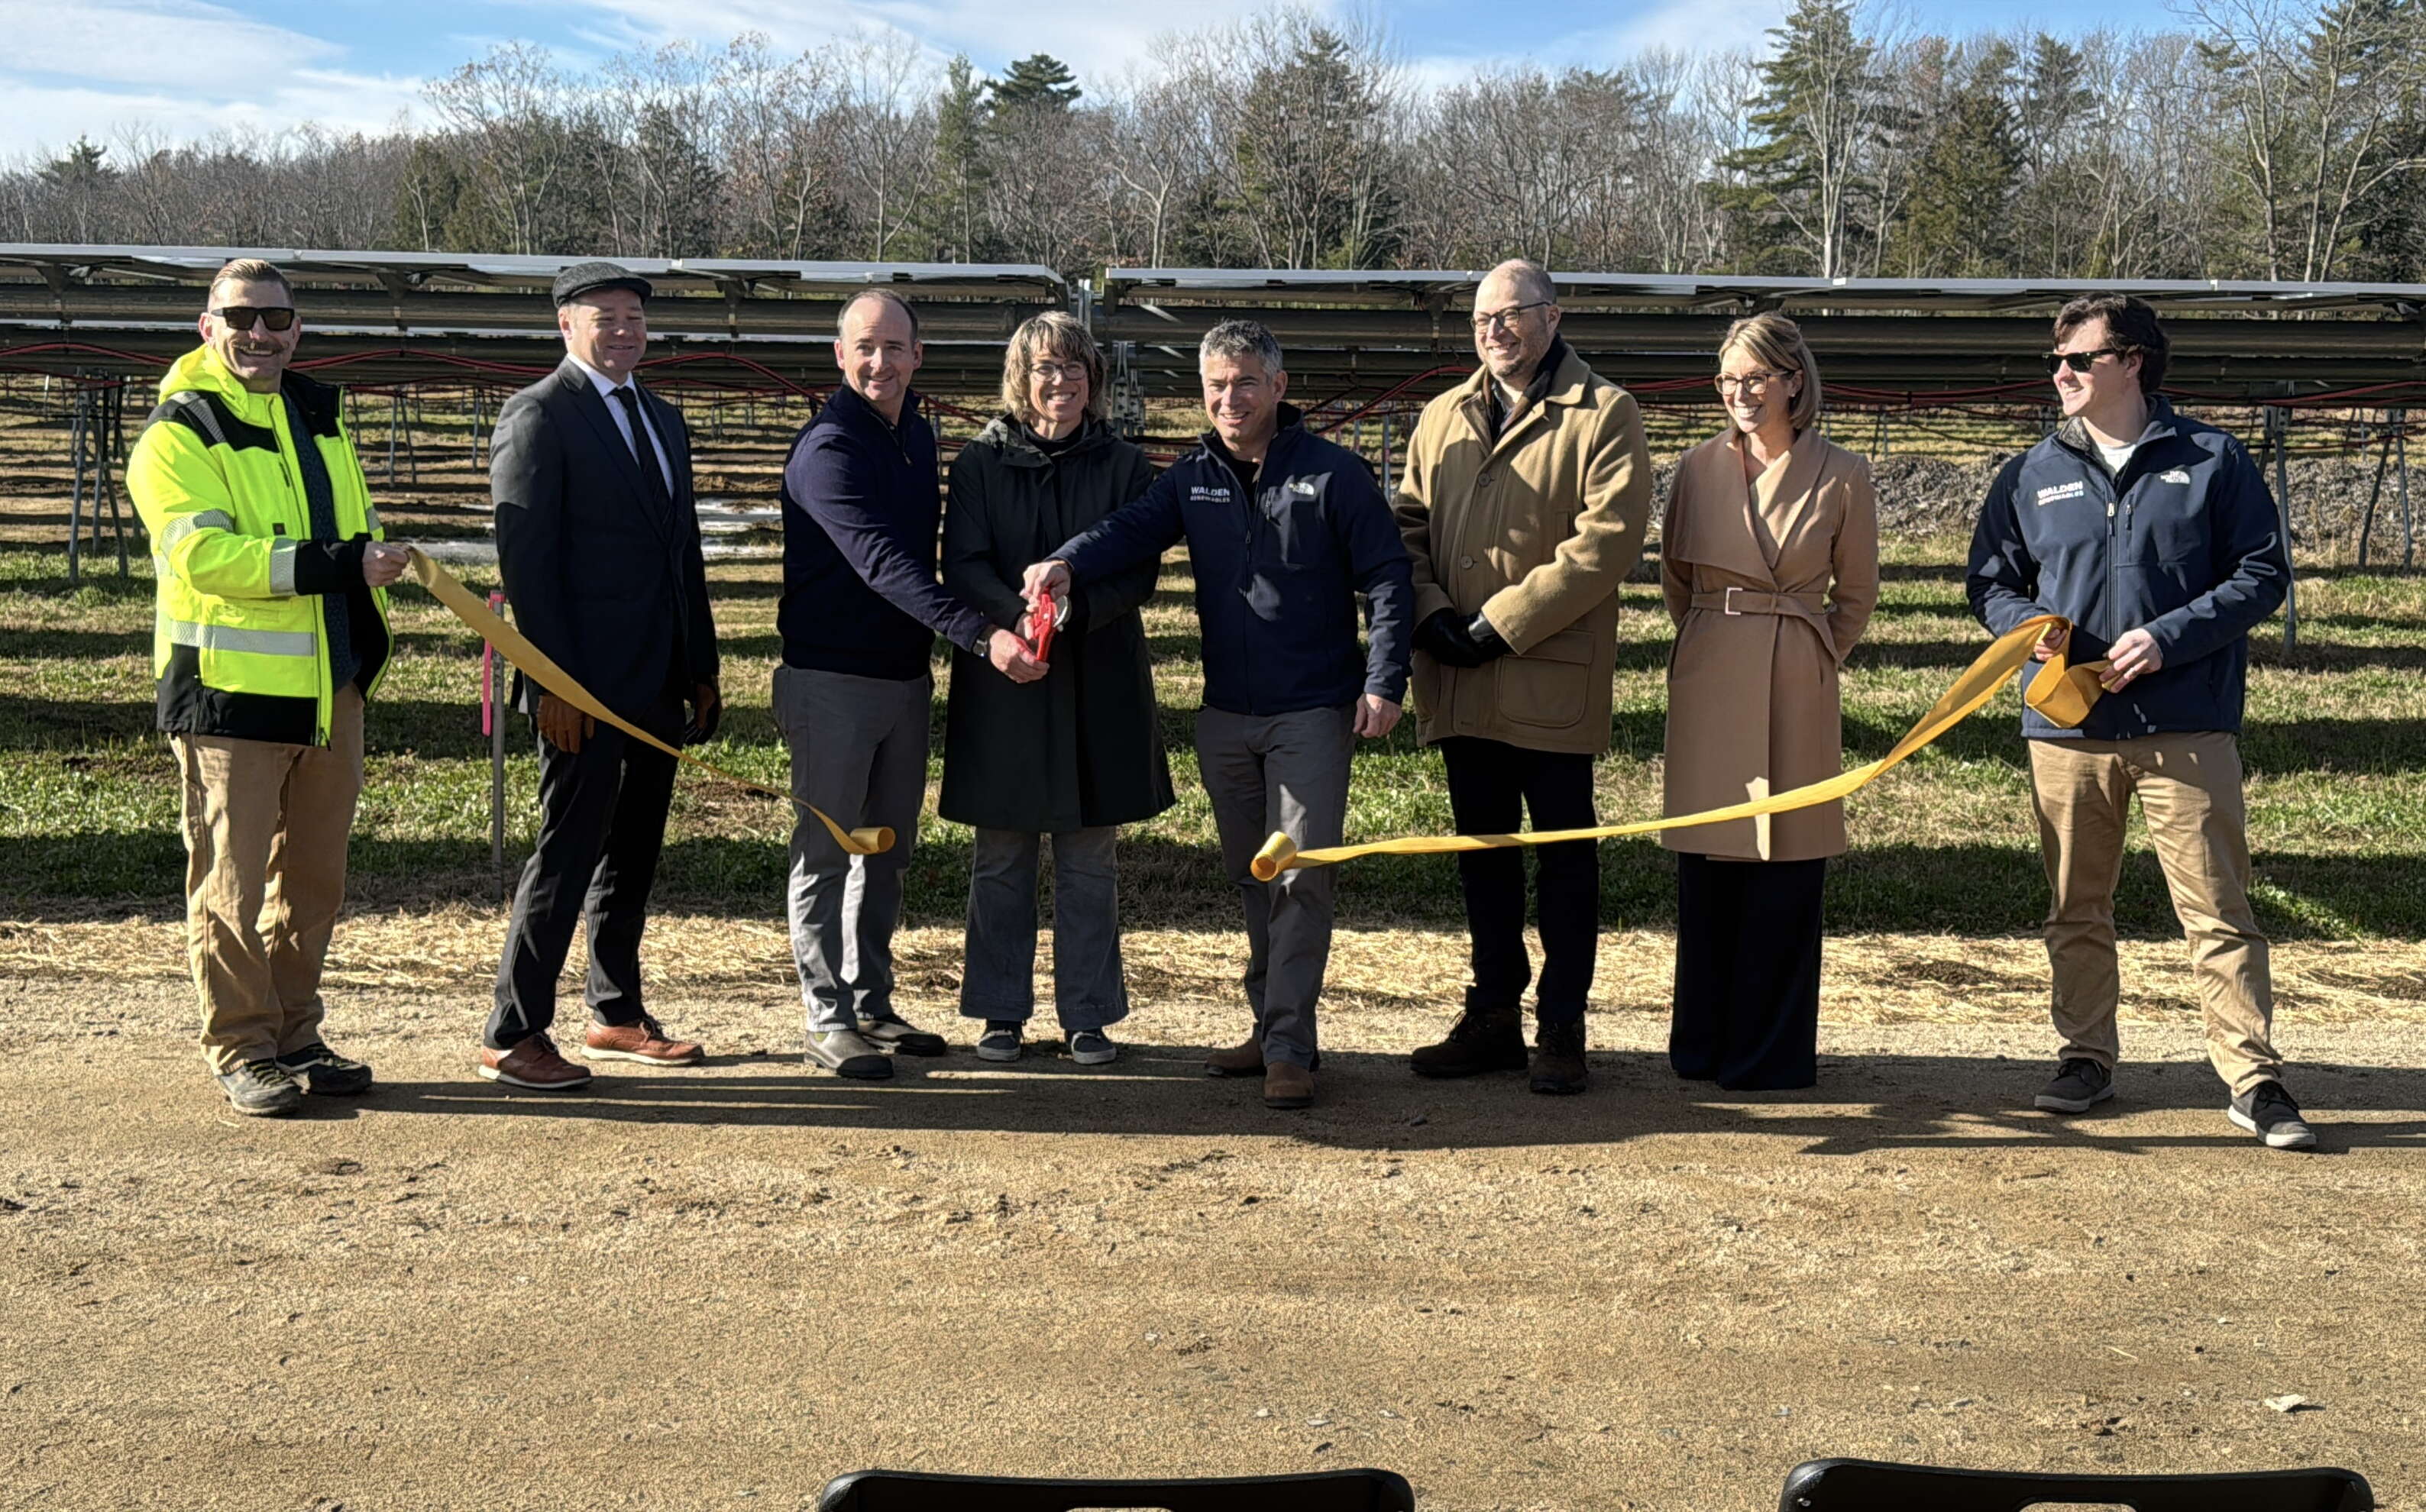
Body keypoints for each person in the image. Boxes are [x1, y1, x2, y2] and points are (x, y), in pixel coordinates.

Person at [1024, 319, 1412, 1110]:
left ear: (1277, 386)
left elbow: (1388, 578)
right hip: (1225, 715)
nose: (1228, 399)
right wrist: (1067, 561)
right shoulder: (1190, 476)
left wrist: (1384, 680)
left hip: (1310, 712)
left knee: (1297, 876)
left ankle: (1290, 1048)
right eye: (1214, 387)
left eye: (1242, 383)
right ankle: (1268, 1023)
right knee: (1252, 876)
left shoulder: (1333, 475)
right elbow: (1130, 531)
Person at [1968, 292, 2311, 1150]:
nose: (2059, 375)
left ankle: (2251, 1078)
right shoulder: (2029, 471)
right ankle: (2083, 1056)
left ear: (2129, 362)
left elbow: (2260, 576)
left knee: (2216, 910)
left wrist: (2166, 639)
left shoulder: (2211, 460)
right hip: (2066, 730)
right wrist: (2027, 630)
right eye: (2056, 360)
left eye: (2076, 360)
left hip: (2183, 725)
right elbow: (1989, 582)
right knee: (2074, 905)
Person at [127, 257, 409, 1116]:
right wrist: (343, 565)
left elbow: (348, 530)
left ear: (298, 329)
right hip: (228, 694)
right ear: (206, 326)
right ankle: (241, 1043)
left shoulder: (318, 419)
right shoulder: (181, 431)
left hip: (329, 689)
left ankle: (294, 1031)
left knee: (314, 879)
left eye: (276, 319)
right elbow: (204, 558)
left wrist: (374, 566)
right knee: (231, 883)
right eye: (240, 317)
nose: (260, 334)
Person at [1393, 258, 1654, 1095]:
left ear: (1551, 317)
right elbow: (1405, 524)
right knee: (1483, 854)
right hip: (1459, 677)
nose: (1493, 332)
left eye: (1509, 316)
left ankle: (1563, 1024)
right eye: (1480, 321)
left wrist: (1498, 623)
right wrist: (1431, 611)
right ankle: (1492, 1015)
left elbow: (1604, 542)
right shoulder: (1440, 417)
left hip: (1545, 675)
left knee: (1562, 856)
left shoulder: (1604, 413)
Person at [780, 289, 1049, 1079]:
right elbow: (881, 564)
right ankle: (824, 1017)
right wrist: (977, 632)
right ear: (839, 354)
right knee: (826, 852)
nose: (879, 362)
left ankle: (870, 1001)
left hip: (899, 678)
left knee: (885, 851)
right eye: (864, 346)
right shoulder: (827, 449)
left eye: (894, 347)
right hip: (831, 679)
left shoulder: (914, 436)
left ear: (917, 356)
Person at [482, 260, 721, 1091]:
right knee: (569, 849)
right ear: (565, 326)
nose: (623, 331)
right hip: (578, 688)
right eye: (604, 317)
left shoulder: (661, 419)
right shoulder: (539, 416)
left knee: (634, 850)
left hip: (655, 679)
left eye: (633, 318)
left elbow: (680, 553)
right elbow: (528, 566)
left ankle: (616, 1011)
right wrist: (551, 684)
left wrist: (700, 666)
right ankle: (513, 1032)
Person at [940, 313, 1173, 1065]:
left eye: (1075, 368)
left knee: (1088, 861)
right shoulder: (979, 463)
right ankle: (1000, 1011)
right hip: (1005, 675)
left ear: (1093, 379)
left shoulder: (1124, 465)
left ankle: (1089, 1012)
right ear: (1020, 376)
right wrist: (1016, 623)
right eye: (1045, 367)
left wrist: (1074, 613)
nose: (1061, 381)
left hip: (1097, 675)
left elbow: (1138, 569)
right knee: (1001, 858)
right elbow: (964, 563)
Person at [1660, 313, 1878, 1091]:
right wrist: (1715, 645)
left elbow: (1853, 597)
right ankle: (1701, 1045)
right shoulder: (1693, 468)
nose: (1739, 393)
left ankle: (1770, 1055)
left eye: (1754, 377)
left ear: (1791, 380)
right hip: (1710, 674)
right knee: (1708, 865)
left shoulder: (1843, 472)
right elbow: (1676, 584)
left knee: (1786, 870)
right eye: (1727, 380)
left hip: (1794, 679)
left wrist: (1808, 657)